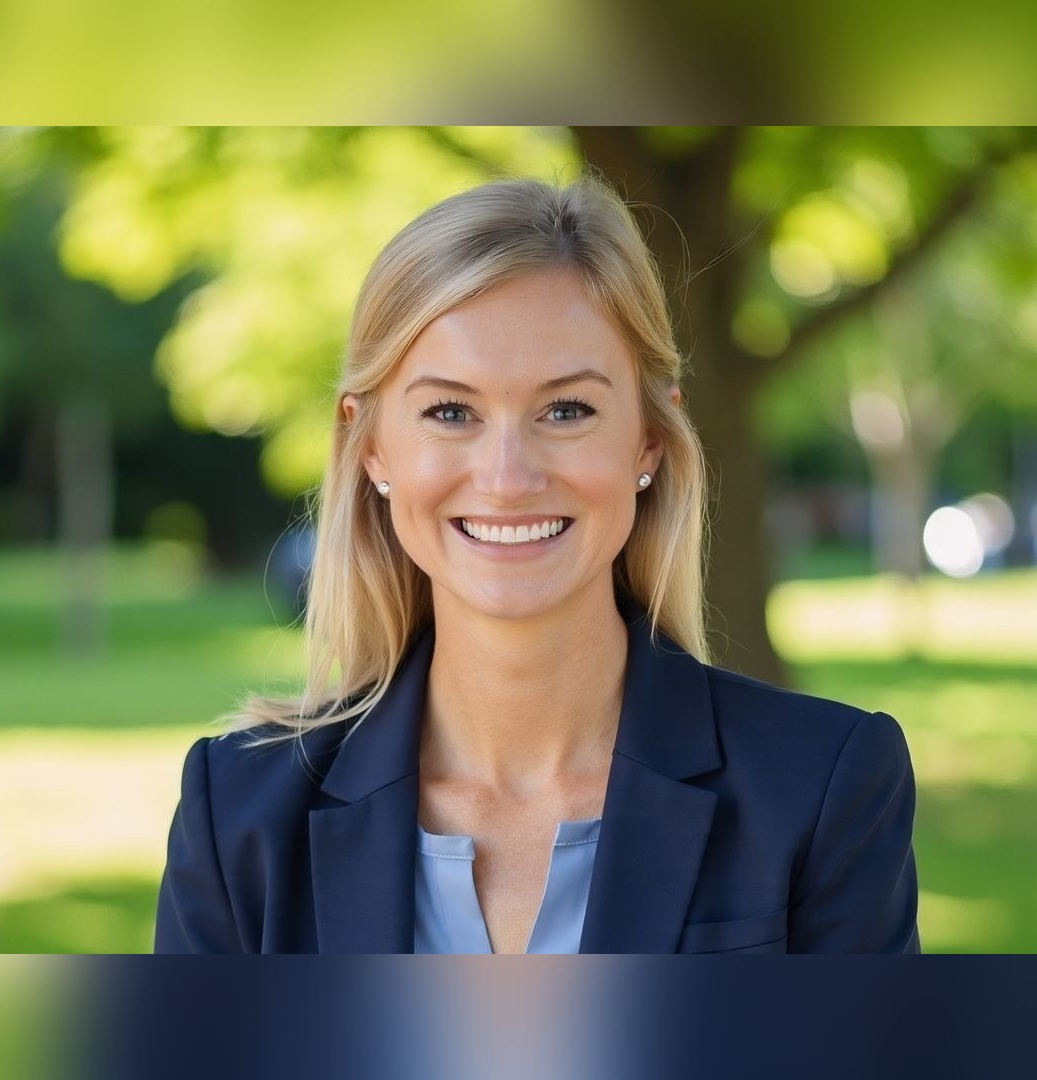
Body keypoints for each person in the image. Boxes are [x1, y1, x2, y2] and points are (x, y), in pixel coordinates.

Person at [154, 173, 920, 954]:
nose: (508, 477)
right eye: (451, 412)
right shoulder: (239, 815)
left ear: (649, 439)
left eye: (567, 410)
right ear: (371, 445)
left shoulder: (820, 787)